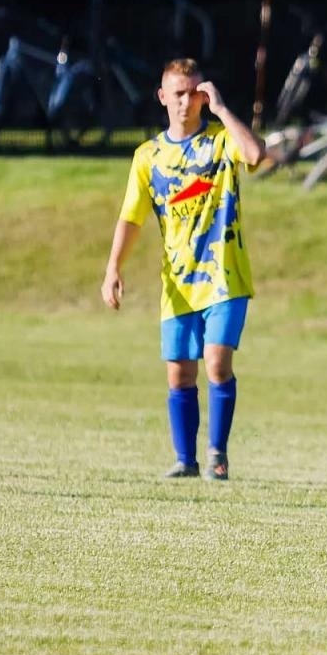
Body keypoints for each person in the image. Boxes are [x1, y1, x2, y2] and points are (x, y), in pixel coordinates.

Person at [100, 58, 266, 481]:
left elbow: (255, 153)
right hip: (177, 280)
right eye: (177, 93)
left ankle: (217, 454)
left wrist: (223, 109)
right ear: (162, 97)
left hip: (225, 278)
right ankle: (185, 460)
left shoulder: (220, 141)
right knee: (180, 373)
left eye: (193, 92)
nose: (185, 101)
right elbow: (131, 218)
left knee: (216, 363)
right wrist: (113, 267)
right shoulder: (148, 157)